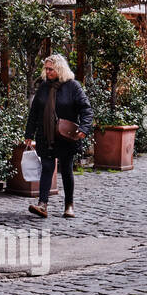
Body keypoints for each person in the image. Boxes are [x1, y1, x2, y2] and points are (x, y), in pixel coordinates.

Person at [24, 54, 93, 220]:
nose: (47, 72)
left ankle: (69, 205)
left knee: (67, 170)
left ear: (60, 69)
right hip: (45, 135)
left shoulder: (73, 87)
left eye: (51, 69)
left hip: (66, 137)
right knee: (47, 167)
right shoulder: (43, 87)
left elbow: (86, 109)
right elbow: (34, 112)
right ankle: (43, 204)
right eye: (46, 69)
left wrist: (83, 128)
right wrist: (28, 133)